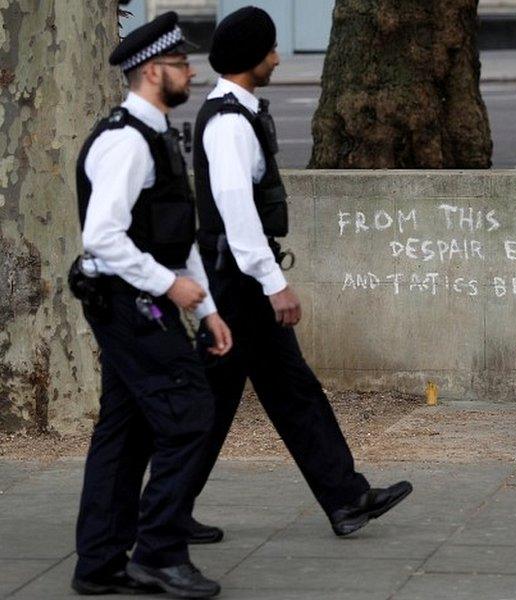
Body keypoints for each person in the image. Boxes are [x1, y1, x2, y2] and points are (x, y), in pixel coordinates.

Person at [187, 6, 411, 544]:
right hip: (236, 284)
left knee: (293, 391)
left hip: (241, 282)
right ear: (250, 58)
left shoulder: (238, 114)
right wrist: (274, 284)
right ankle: (160, 510)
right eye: (269, 49)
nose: (277, 57)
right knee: (211, 404)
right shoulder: (227, 124)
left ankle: (346, 498)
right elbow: (237, 217)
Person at [69, 12, 230, 598]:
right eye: (183, 64)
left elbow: (174, 234)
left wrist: (207, 307)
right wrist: (171, 288)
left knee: (126, 430)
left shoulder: (157, 135)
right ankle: (158, 553)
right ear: (154, 71)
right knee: (189, 415)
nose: (191, 71)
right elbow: (103, 239)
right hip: (127, 302)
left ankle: (100, 563)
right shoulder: (125, 143)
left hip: (141, 300)